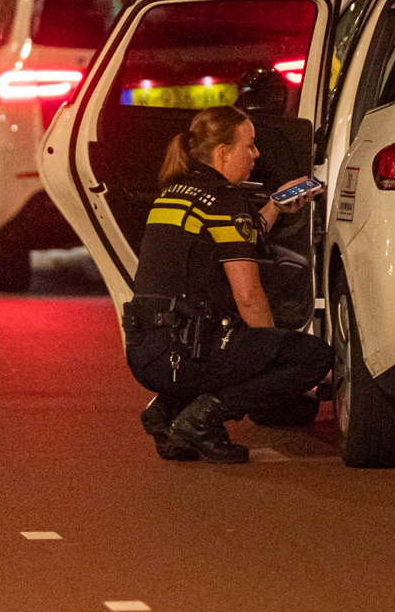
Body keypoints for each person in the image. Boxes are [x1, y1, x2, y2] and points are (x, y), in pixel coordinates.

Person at [122, 106, 331, 464]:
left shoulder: (175, 192)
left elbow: (234, 237)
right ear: (222, 152)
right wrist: (268, 352)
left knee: (230, 345)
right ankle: (203, 419)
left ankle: (168, 411)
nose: (256, 155)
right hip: (186, 352)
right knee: (313, 356)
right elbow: (248, 296)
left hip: (148, 353)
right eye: (249, 146)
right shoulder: (224, 200)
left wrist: (276, 208)